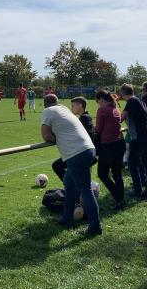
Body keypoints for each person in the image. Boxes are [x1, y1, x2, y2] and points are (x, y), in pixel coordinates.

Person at [42, 94, 102, 236]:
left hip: (77, 154)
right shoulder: (65, 110)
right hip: (87, 149)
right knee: (69, 184)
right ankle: (67, 218)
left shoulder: (48, 111)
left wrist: (58, 139)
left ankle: (95, 227)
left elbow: (46, 136)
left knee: (85, 191)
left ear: (46, 105)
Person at [120, 83, 147, 200]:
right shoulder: (139, 100)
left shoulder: (131, 101)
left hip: (139, 137)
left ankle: (137, 190)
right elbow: (131, 120)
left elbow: (121, 118)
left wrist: (114, 105)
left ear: (123, 93)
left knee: (131, 163)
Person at [95, 89, 126, 210]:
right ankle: (120, 199)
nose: (98, 104)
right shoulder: (116, 109)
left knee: (102, 174)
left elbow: (98, 129)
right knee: (117, 174)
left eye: (98, 102)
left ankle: (119, 197)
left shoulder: (102, 110)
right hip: (119, 143)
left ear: (102, 100)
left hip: (108, 145)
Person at [51, 97, 95, 182]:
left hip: (81, 152)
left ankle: (73, 186)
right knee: (84, 180)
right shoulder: (86, 117)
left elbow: (89, 135)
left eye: (73, 106)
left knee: (57, 166)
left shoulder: (84, 118)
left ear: (80, 105)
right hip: (86, 152)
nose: (71, 108)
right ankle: (74, 187)